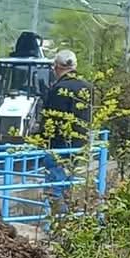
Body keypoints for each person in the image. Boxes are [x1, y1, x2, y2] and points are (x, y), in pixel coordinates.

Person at [35, 48, 94, 198]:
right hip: (79, 143)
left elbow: (51, 119)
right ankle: (67, 217)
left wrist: (40, 137)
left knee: (55, 186)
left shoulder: (59, 89)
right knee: (69, 183)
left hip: (58, 145)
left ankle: (55, 216)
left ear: (56, 67)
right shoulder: (87, 87)